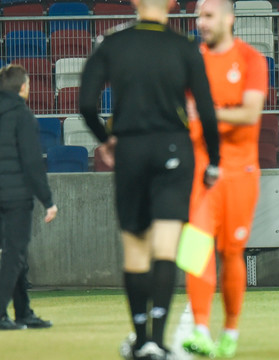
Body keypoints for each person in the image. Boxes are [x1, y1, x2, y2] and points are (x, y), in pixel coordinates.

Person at [79, 0, 220, 358]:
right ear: (172, 3)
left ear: (134, 2)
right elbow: (206, 109)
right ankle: (159, 340)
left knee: (136, 248)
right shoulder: (184, 47)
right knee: (166, 246)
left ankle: (140, 339)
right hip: (174, 148)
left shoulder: (113, 43)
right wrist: (214, 161)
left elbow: (86, 104)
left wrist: (105, 140)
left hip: (131, 149)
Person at [182, 0, 268, 357]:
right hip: (200, 170)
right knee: (195, 250)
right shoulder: (189, 60)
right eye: (198, 16)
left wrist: (204, 112)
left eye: (208, 16)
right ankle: (201, 329)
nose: (201, 22)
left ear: (229, 19)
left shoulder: (251, 60)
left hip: (240, 172)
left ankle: (229, 331)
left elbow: (249, 113)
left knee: (231, 252)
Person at [0, 64, 58, 330]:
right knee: (15, 254)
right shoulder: (23, 116)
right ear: (23, 87)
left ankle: (23, 312)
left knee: (16, 255)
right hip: (16, 197)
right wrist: (47, 200)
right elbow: (33, 163)